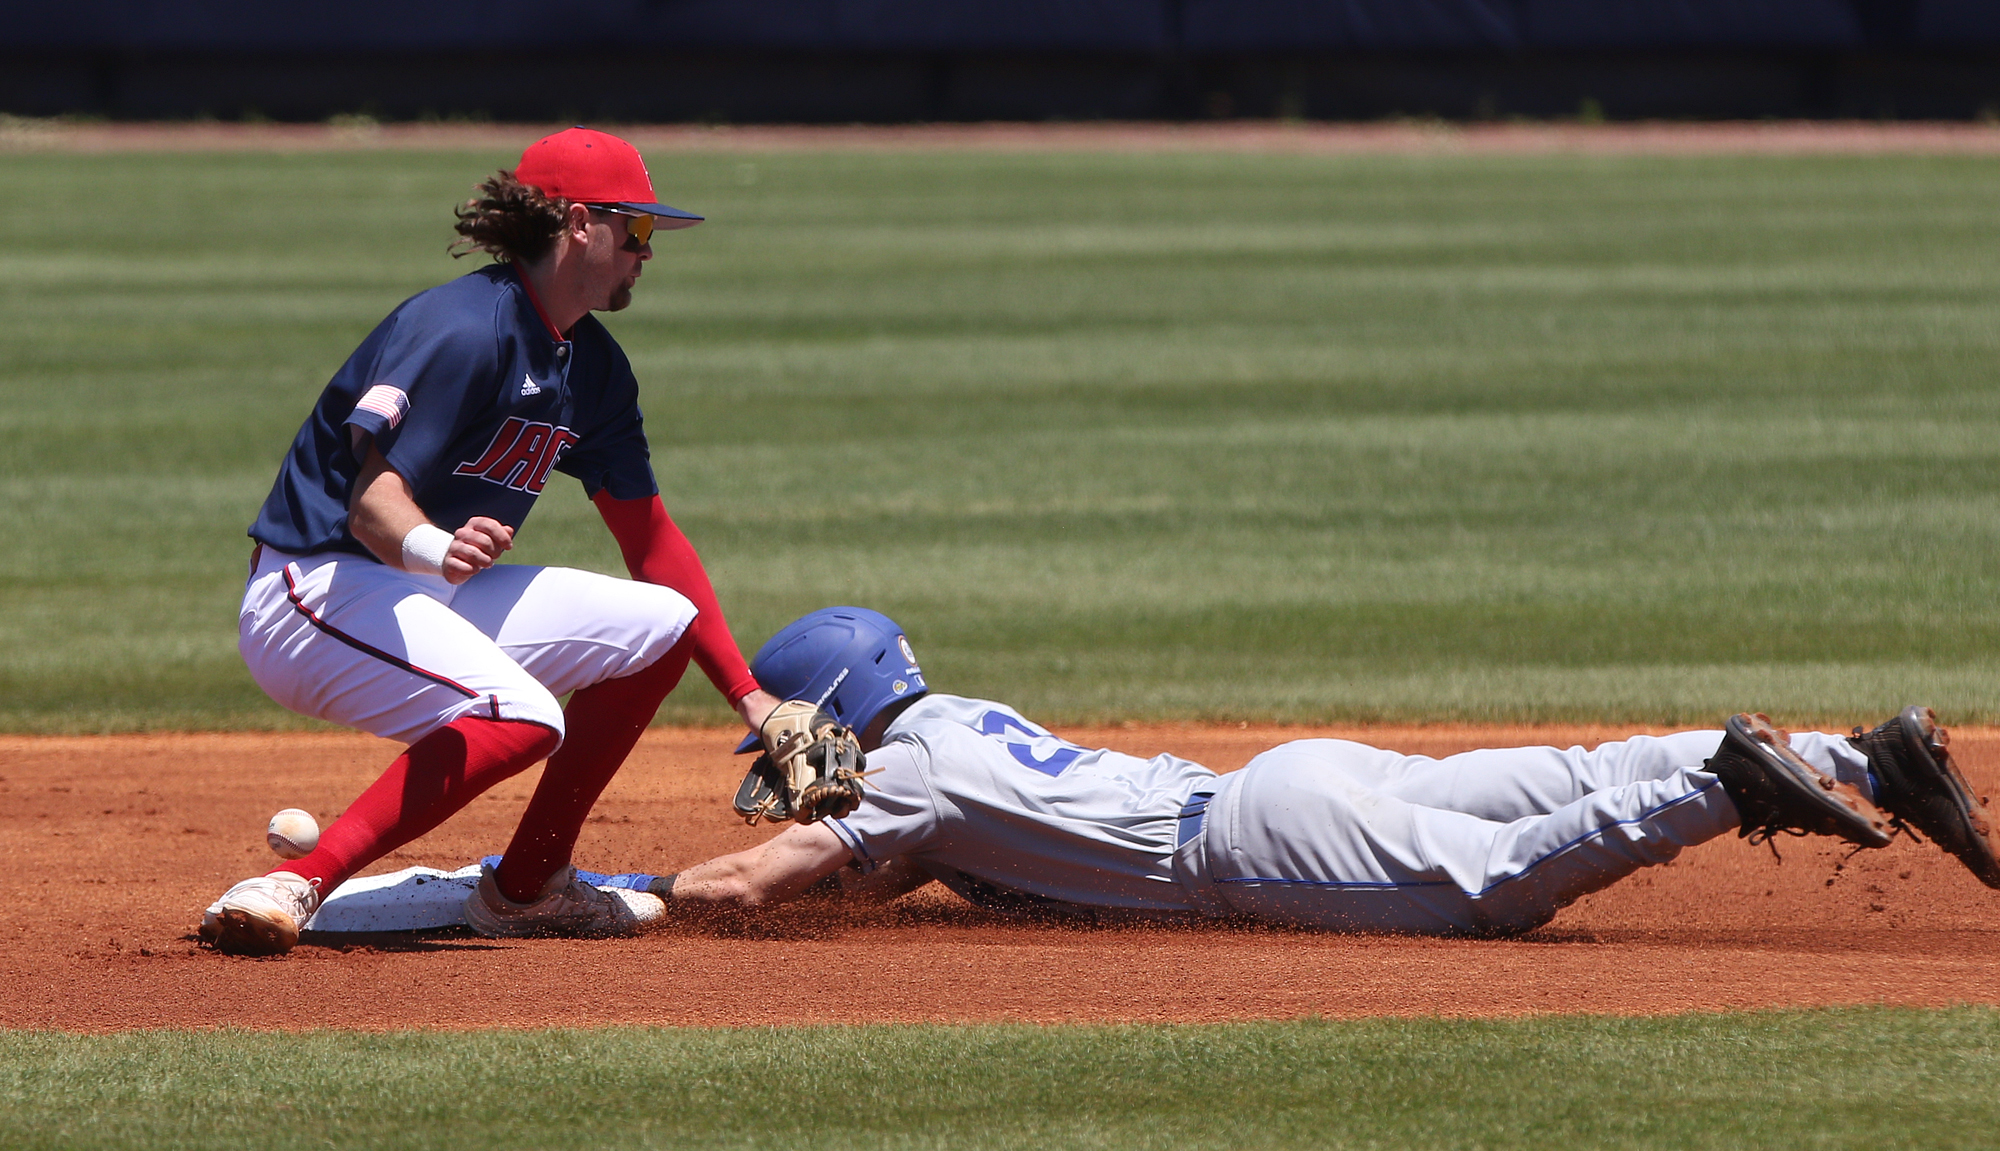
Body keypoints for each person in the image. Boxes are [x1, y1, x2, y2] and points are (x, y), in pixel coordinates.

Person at [198, 128, 783, 956]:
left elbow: (650, 537)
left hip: (421, 590)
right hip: (311, 591)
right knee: (523, 714)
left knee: (664, 624)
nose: (647, 252)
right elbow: (371, 502)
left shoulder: (595, 368)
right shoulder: (463, 328)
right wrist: (437, 548)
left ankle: (527, 888)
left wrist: (750, 695)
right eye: (637, 229)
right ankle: (297, 882)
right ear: (580, 223)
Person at [654, 608, 2000, 934]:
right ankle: (1851, 754)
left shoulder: (908, 781)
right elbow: (875, 866)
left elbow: (773, 870)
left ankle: (1730, 784)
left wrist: (641, 891)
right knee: (1552, 772)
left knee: (1496, 883)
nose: (784, 756)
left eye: (791, 728)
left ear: (837, 712)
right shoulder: (955, 728)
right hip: (1288, 779)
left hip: (1252, 850)